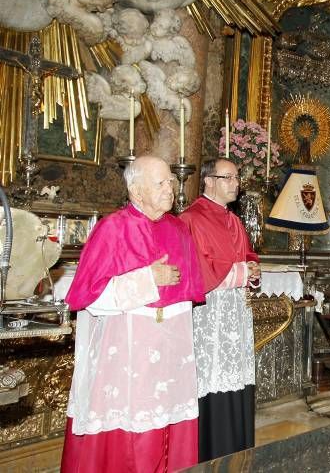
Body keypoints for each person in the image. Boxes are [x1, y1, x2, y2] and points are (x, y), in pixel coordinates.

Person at [61, 155, 205, 473]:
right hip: (126, 363)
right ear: (136, 191)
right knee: (127, 444)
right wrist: (147, 279)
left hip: (169, 361)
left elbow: (188, 296)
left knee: (167, 432)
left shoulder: (179, 229)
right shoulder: (112, 229)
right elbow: (90, 299)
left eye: (171, 181)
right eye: (161, 182)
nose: (171, 188)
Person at [179, 158, 261, 462]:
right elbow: (200, 269)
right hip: (209, 316)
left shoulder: (234, 220)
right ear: (209, 180)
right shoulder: (191, 218)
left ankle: (237, 451)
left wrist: (253, 269)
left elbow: (248, 256)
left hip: (235, 314)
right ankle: (212, 452)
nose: (235, 184)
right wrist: (242, 272)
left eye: (237, 178)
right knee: (211, 374)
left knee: (235, 375)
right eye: (228, 178)